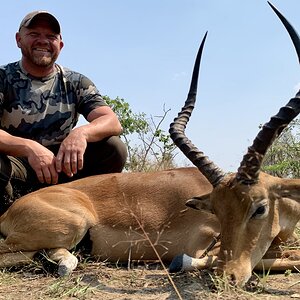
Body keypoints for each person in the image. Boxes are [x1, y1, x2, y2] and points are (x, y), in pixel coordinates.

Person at [0, 11, 128, 212]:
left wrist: (81, 133)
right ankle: (8, 217)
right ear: (18, 39)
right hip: (16, 167)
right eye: (34, 34)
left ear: (60, 45)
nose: (43, 41)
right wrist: (29, 148)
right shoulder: (2, 77)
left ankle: (87, 216)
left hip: (62, 169)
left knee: (114, 148)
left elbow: (111, 121)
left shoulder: (76, 81)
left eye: (51, 37)